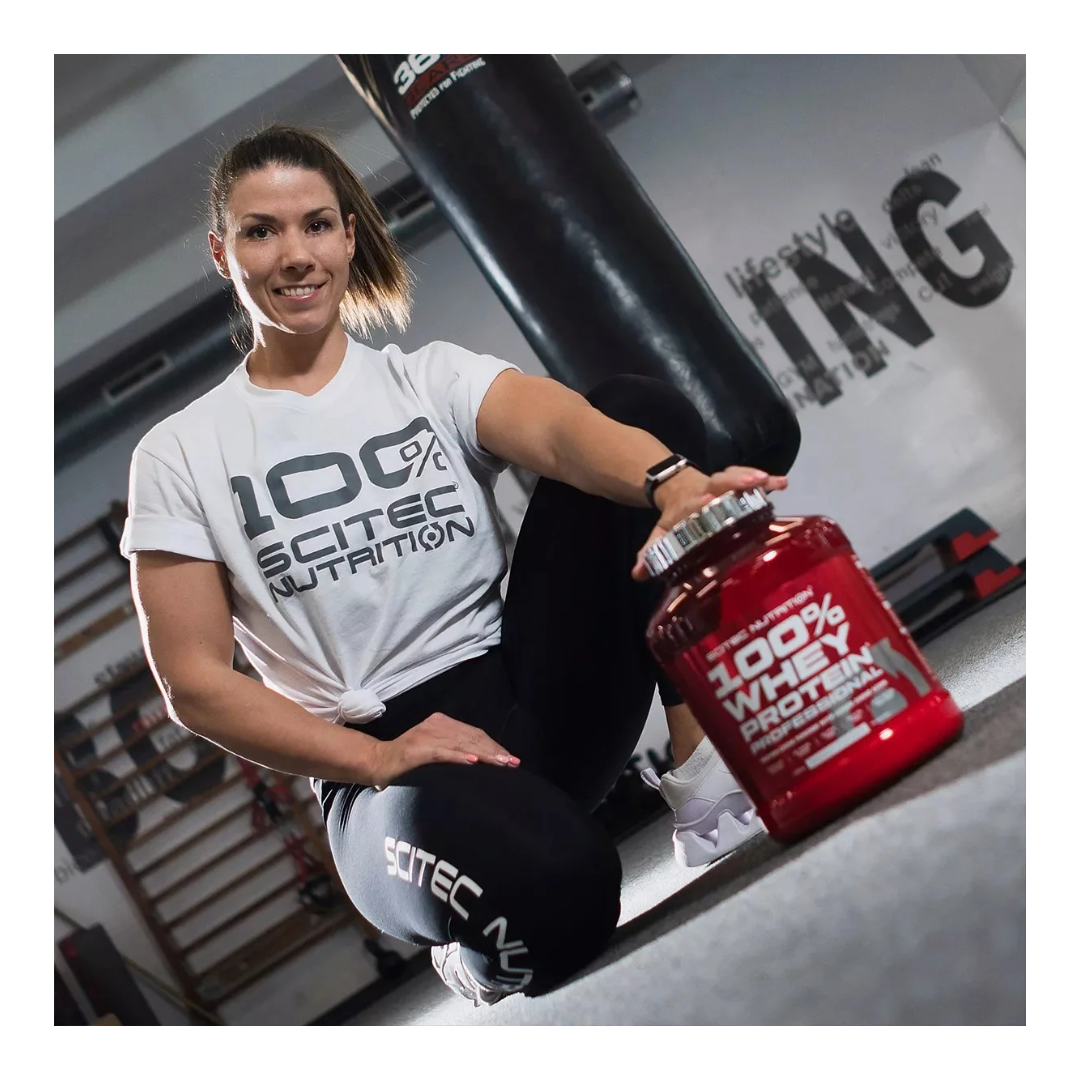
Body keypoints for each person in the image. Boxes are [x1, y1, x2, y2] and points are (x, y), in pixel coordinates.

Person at [120, 123, 788, 1007]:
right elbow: (195, 681)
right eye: (261, 231)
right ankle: (470, 949)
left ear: (349, 235)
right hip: (386, 773)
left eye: (317, 224)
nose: (295, 254)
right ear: (222, 252)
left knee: (639, 414)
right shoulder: (180, 452)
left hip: (534, 697)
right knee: (562, 896)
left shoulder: (425, 378)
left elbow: (557, 428)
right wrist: (381, 760)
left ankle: (703, 780)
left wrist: (674, 485)